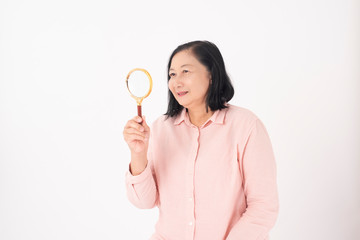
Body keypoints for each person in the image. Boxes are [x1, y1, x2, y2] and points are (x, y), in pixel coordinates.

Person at [123, 40, 279, 240]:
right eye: (172, 74)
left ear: (211, 75)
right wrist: (138, 153)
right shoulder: (161, 127)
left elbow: (263, 207)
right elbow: (144, 202)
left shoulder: (246, 126)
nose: (176, 81)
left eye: (185, 72)